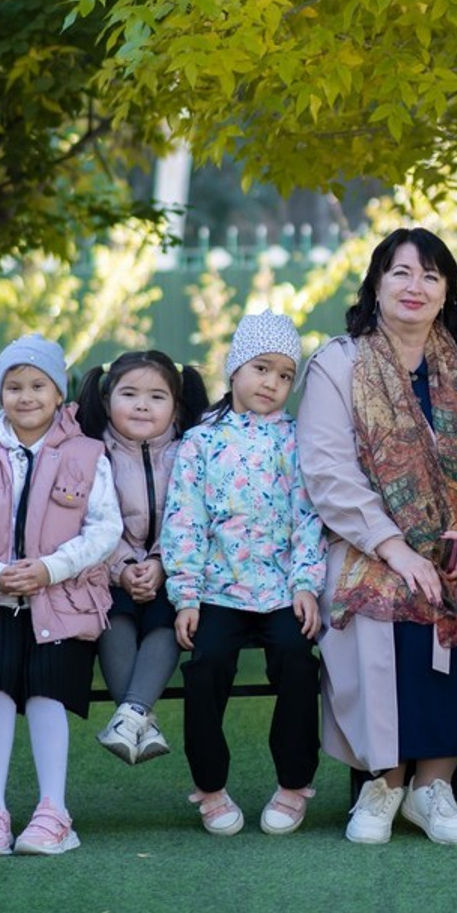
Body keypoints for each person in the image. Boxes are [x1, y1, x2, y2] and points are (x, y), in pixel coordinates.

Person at [297, 227, 457, 848]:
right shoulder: (338, 363)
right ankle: (385, 782)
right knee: (384, 606)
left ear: (447, 291)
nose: (415, 286)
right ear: (376, 284)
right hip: (368, 541)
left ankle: (434, 786)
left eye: (430, 275)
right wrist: (394, 548)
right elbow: (327, 470)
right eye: (401, 272)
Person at [0, 334, 121, 856]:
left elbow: (103, 528)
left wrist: (49, 568)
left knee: (46, 692)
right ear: (0, 393)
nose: (26, 396)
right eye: (13, 386)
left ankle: (52, 811)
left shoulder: (86, 454)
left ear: (58, 393)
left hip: (62, 601)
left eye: (38, 385)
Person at [161, 312, 325, 837]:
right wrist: (186, 595)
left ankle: (294, 784)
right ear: (234, 368)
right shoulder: (200, 442)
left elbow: (308, 517)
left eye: (283, 375)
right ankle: (210, 789)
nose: (271, 384)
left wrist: (305, 585)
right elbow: (184, 520)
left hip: (280, 592)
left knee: (298, 659)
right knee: (206, 665)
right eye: (261, 369)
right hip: (217, 592)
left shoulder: (298, 441)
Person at [76, 352, 208, 765]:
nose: (142, 405)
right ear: (107, 396)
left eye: (156, 396)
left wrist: (160, 564)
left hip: (174, 569)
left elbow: (195, 515)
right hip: (107, 571)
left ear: (176, 404)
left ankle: (129, 715)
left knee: (169, 622)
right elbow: (87, 520)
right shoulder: (92, 454)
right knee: (112, 617)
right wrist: (123, 568)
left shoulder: (190, 451)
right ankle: (138, 719)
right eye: (129, 394)